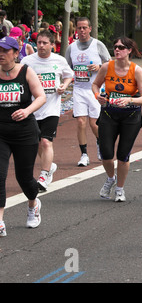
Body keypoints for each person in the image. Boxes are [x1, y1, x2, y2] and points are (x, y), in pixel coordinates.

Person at [93, 37, 142, 202]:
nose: (117, 50)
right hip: (109, 114)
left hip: (130, 116)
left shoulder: (136, 70)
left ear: (129, 50)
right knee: (106, 154)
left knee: (123, 155)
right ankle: (111, 178)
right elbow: (95, 85)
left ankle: (119, 189)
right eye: (115, 47)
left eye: (121, 47)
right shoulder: (107, 67)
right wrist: (98, 96)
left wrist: (129, 100)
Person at [0, 36, 46, 237]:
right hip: (1, 132)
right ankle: (0, 221)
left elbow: (41, 96)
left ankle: (33, 203)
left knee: (24, 177)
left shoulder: (26, 72)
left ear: (15, 53)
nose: (1, 55)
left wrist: (27, 111)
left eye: (5, 51)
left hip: (25, 132)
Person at [21, 30, 74, 192]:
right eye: (39, 43)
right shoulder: (27, 61)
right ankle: (49, 166)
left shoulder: (59, 60)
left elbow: (69, 75)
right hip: (32, 109)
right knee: (35, 143)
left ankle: (44, 174)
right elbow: (20, 79)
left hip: (51, 108)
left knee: (46, 141)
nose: (41, 46)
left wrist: (64, 86)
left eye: (45, 43)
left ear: (52, 45)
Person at [65, 17, 111, 166]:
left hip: (95, 89)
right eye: (79, 28)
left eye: (85, 28)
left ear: (90, 29)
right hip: (79, 89)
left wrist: (99, 67)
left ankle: (99, 144)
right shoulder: (71, 48)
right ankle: (84, 154)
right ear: (76, 30)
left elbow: (110, 63)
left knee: (94, 123)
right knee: (80, 121)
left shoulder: (98, 45)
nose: (82, 31)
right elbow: (66, 67)